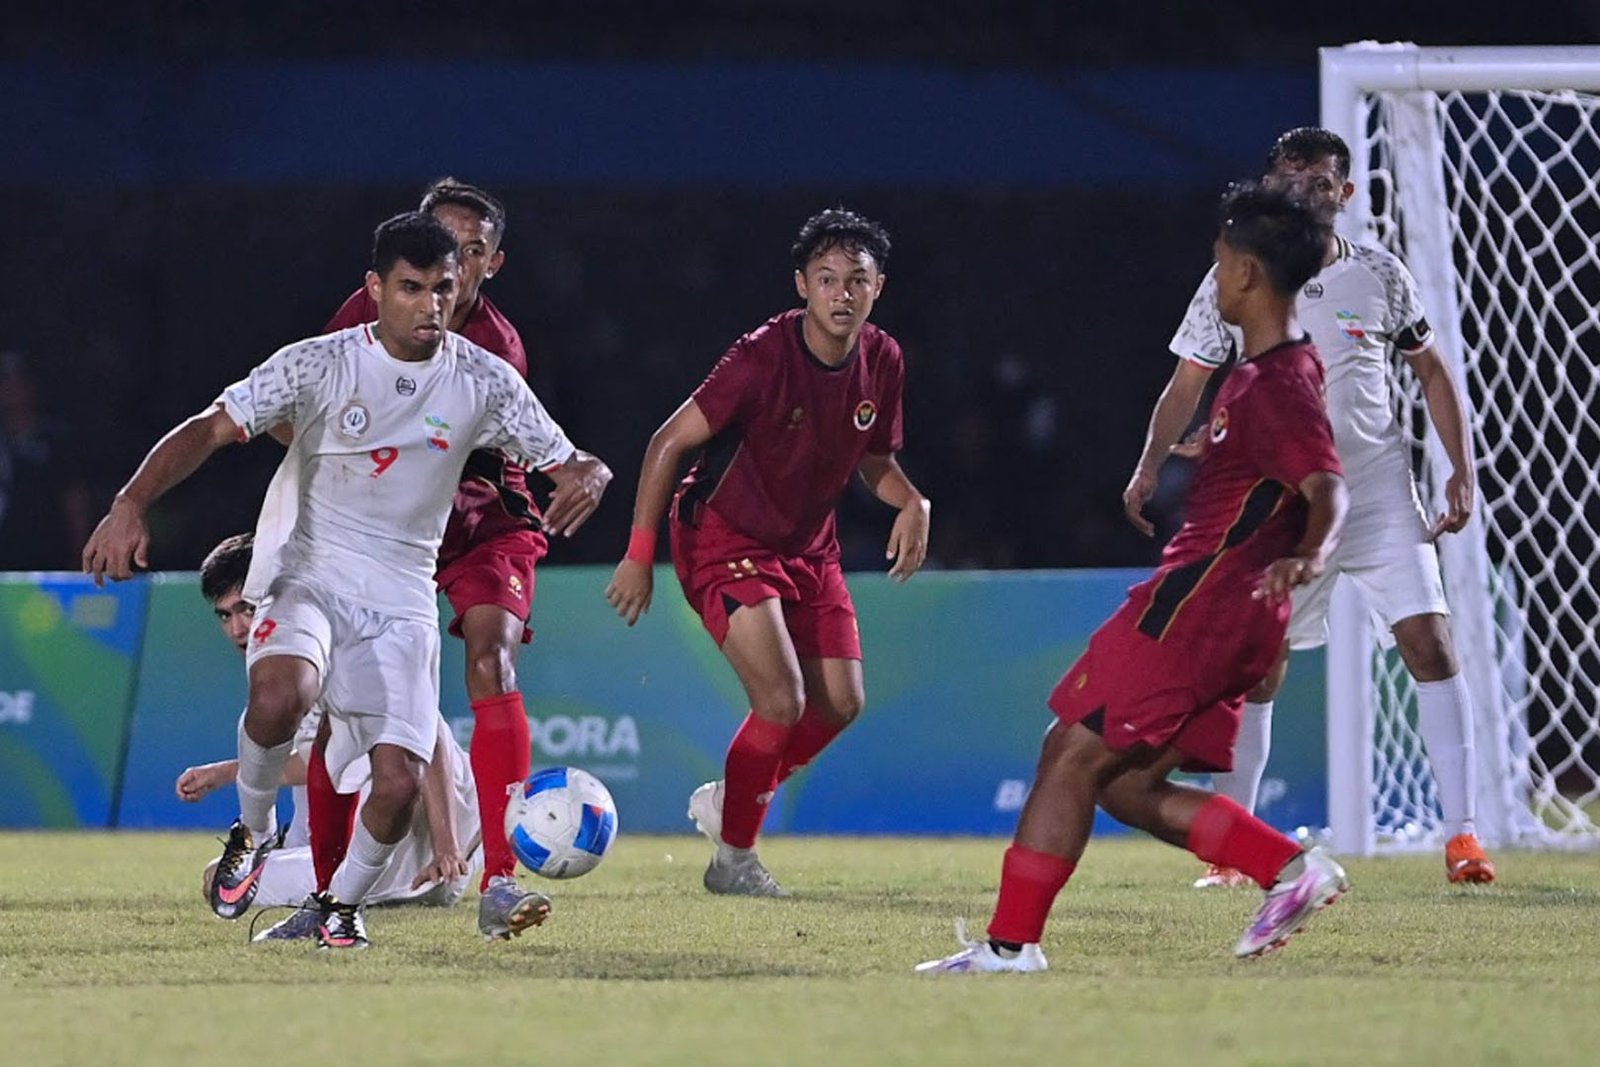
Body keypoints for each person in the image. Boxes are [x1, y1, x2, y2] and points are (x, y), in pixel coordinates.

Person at [84, 211, 611, 949]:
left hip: (400, 595)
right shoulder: (319, 363)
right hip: (311, 570)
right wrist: (129, 502)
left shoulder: (484, 380)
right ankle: (257, 829)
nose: (430, 306)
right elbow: (210, 425)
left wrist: (592, 471)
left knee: (396, 780)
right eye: (411, 288)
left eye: (443, 289)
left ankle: (343, 906)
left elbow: (567, 457)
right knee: (278, 694)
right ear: (375, 288)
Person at [919, 184, 1351, 973]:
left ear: (1249, 272)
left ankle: (1011, 946)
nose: (1214, 278)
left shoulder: (1278, 382)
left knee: (1068, 754)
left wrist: (1312, 554)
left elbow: (1328, 486)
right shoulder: (1273, 371)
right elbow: (1276, 476)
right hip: (1226, 613)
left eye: (1221, 264)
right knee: (1125, 787)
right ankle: (1293, 870)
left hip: (1199, 607)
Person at [1122, 127, 1494, 887]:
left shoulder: (1380, 273)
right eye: (1293, 179)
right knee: (1260, 670)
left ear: (1345, 195)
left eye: (1323, 182)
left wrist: (1461, 469)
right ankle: (1234, 849)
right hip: (1281, 502)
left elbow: (1430, 370)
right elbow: (1187, 381)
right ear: (1273, 183)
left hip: (1379, 491)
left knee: (1430, 642)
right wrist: (1148, 462)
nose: (1307, 193)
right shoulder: (1241, 275)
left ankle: (1463, 837)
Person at [604, 207, 930, 897]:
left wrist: (913, 500)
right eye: (827, 279)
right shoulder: (759, 356)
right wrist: (638, 552)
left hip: (809, 547)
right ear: (801, 286)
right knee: (780, 700)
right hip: (724, 537)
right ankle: (735, 861)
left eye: (856, 281)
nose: (842, 294)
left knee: (840, 703)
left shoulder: (885, 359)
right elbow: (668, 441)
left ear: (880, 288)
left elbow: (875, 461)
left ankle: (736, 797)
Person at [315, 178, 558, 940]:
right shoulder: (364, 314)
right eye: (441, 243)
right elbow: (314, 410)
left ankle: (500, 880)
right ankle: (325, 893)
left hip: (482, 521)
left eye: (472, 251)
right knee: (338, 707)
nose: (453, 265)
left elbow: (487, 456)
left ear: (490, 264)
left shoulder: (497, 350)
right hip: (380, 531)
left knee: (493, 659)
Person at [175, 534, 483, 939]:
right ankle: (293, 856)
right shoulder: (305, 649)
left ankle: (330, 898)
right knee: (313, 744)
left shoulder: (329, 635)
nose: (237, 628)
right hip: (441, 863)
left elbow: (432, 737)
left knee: (217, 878)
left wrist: (446, 846)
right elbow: (312, 763)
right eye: (225, 616)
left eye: (246, 609)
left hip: (420, 861)